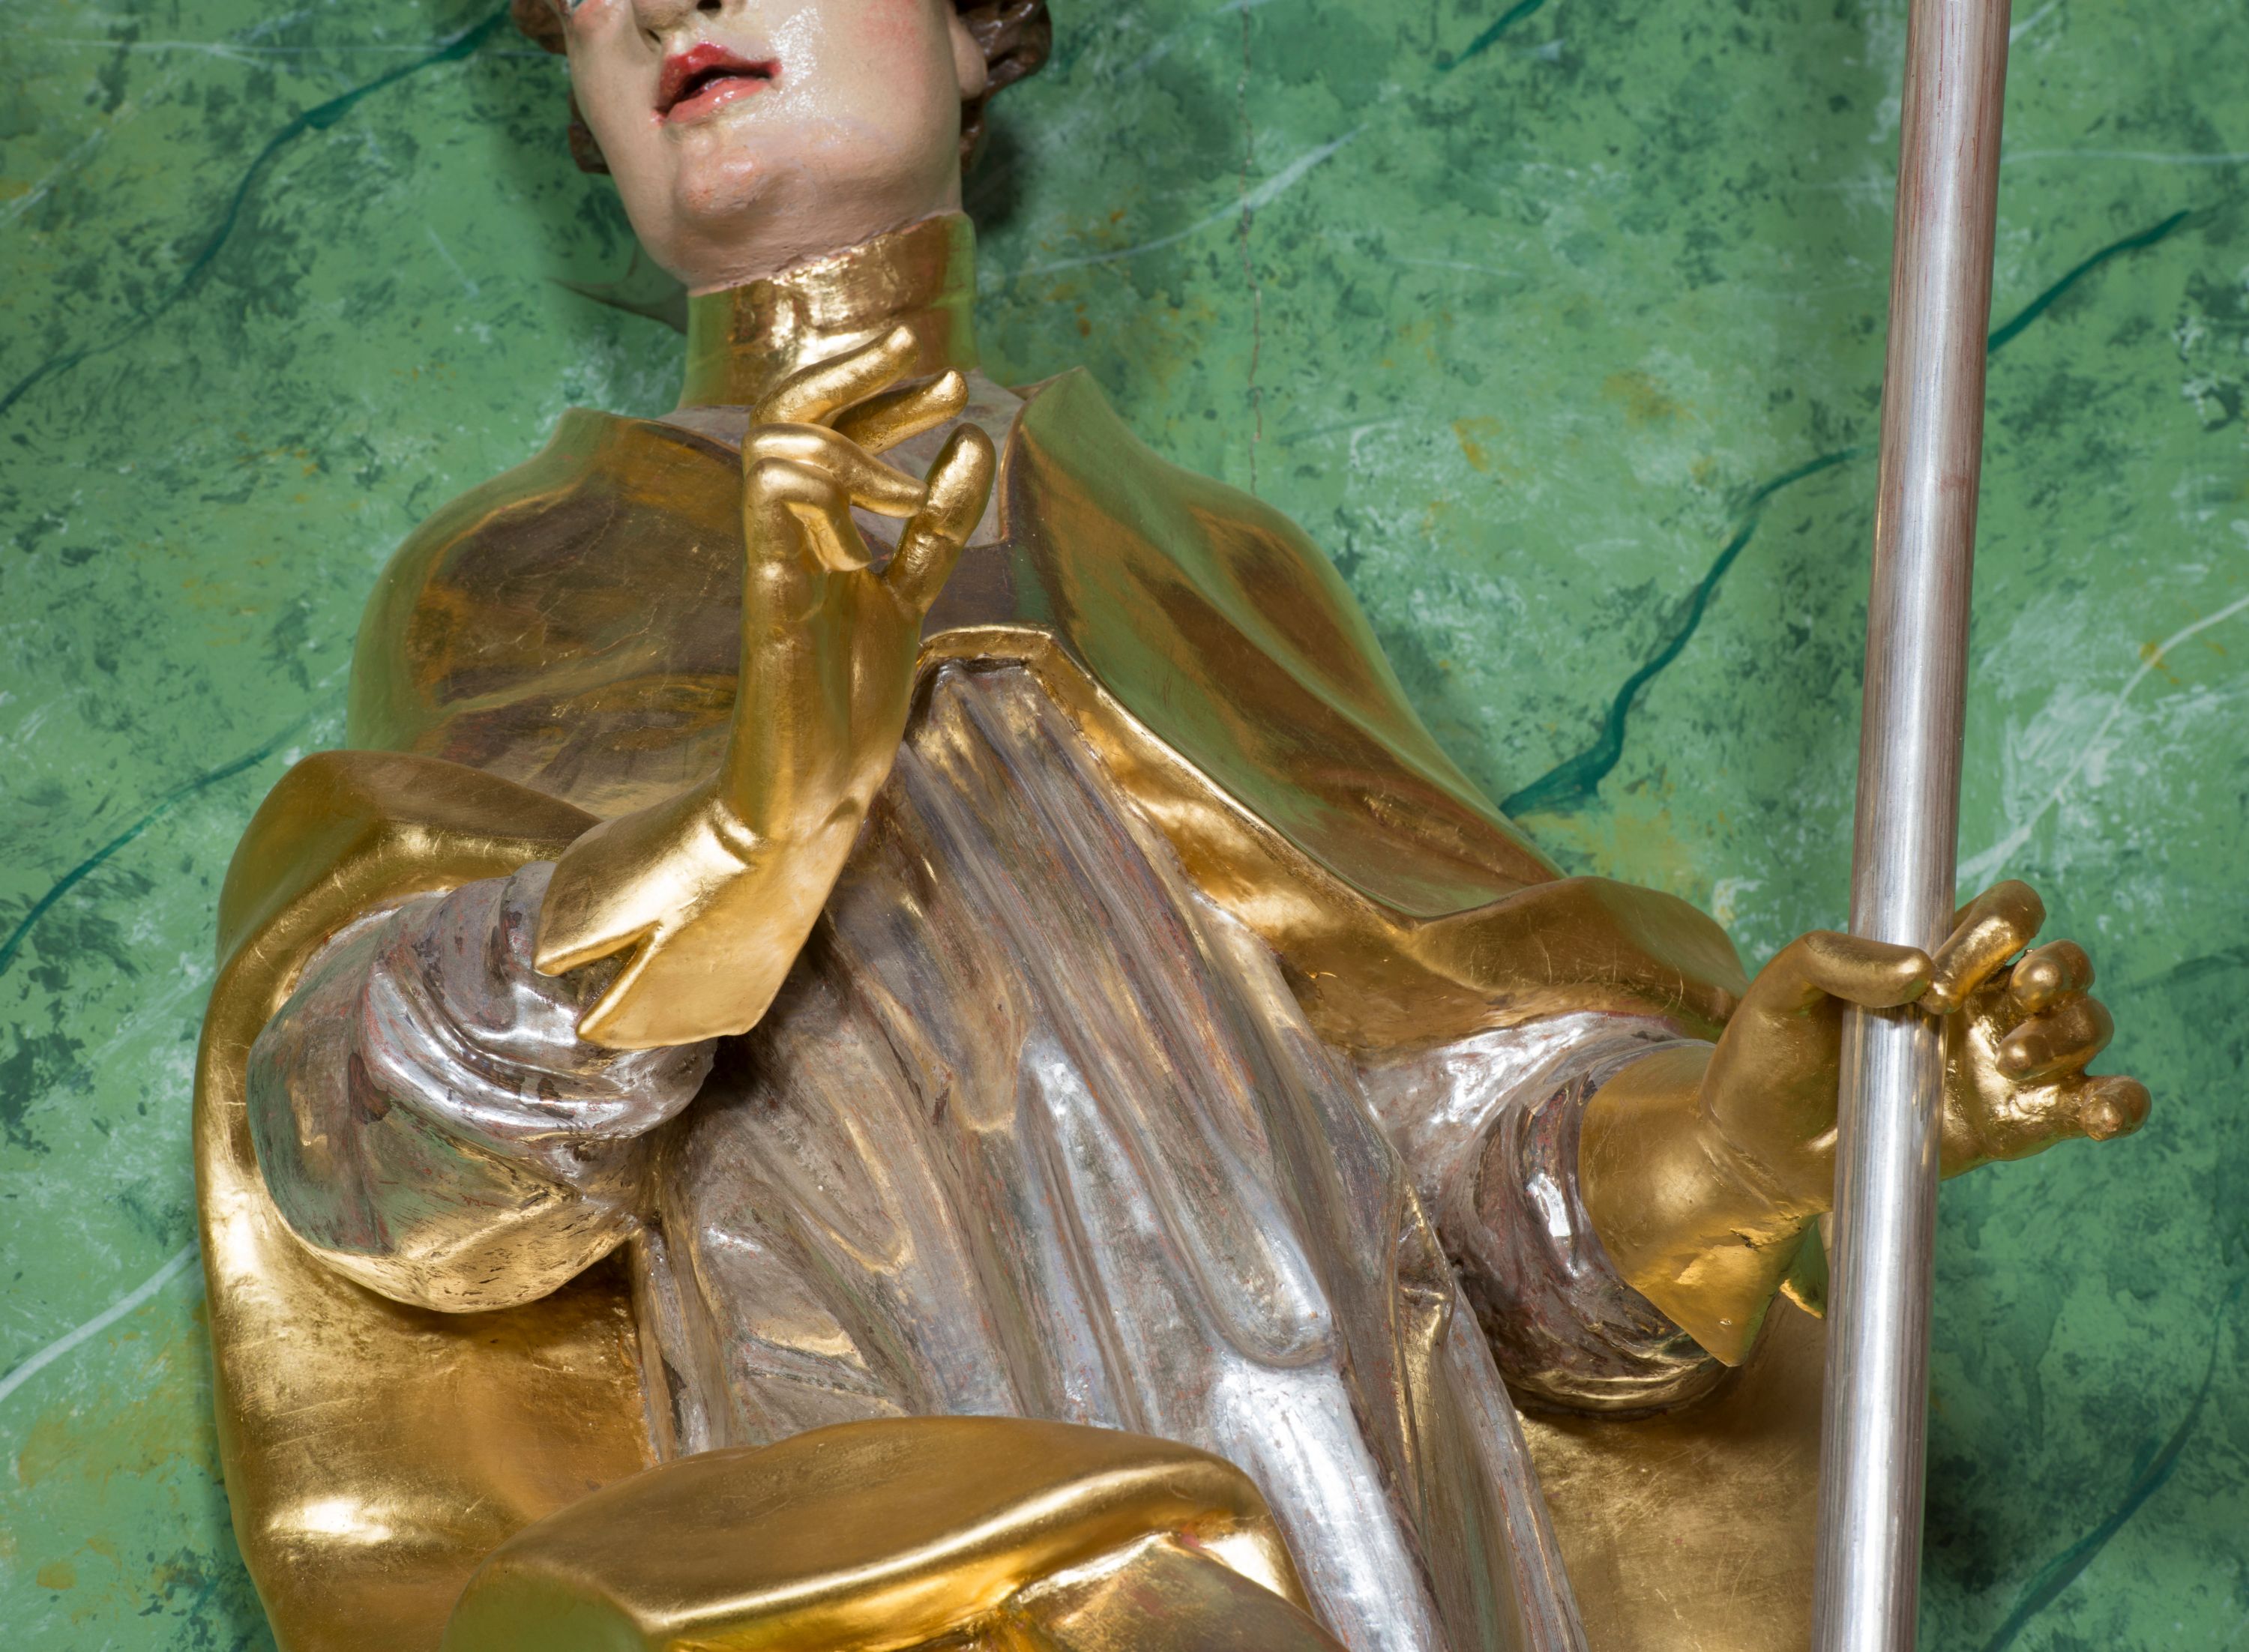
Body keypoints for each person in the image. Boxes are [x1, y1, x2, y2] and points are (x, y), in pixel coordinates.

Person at [193, 1, 2149, 1648]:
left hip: (1347, 1515)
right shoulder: (526, 580)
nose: (658, 1)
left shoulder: (1210, 569)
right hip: (883, 1537)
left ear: (978, 27)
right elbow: (382, 1190)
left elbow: (1452, 1187)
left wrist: (1739, 1147)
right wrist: (749, 828)